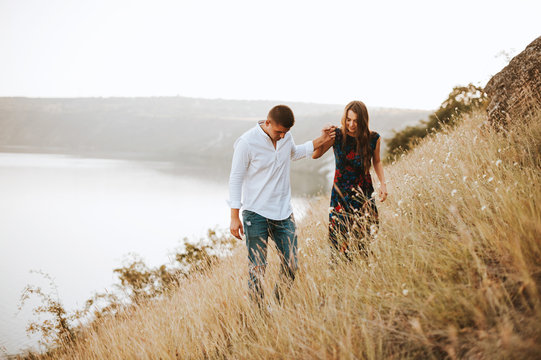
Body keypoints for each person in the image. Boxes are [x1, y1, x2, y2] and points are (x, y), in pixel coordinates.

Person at [228, 105, 334, 304]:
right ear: (267, 123)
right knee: (257, 270)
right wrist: (234, 216)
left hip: (283, 213)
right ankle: (258, 318)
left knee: (292, 264)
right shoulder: (247, 142)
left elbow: (295, 152)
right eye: (279, 132)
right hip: (255, 213)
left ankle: (275, 306)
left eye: (286, 133)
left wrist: (322, 138)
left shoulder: (286, 138)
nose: (282, 136)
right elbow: (235, 179)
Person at [312, 100, 388, 259]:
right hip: (341, 196)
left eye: (356, 121)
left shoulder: (373, 138)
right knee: (339, 242)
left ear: (363, 120)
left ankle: (362, 273)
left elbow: (377, 161)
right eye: (348, 120)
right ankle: (339, 275)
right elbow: (315, 155)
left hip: (364, 195)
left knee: (365, 240)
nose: (352, 124)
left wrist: (383, 184)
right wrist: (323, 137)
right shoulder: (337, 135)